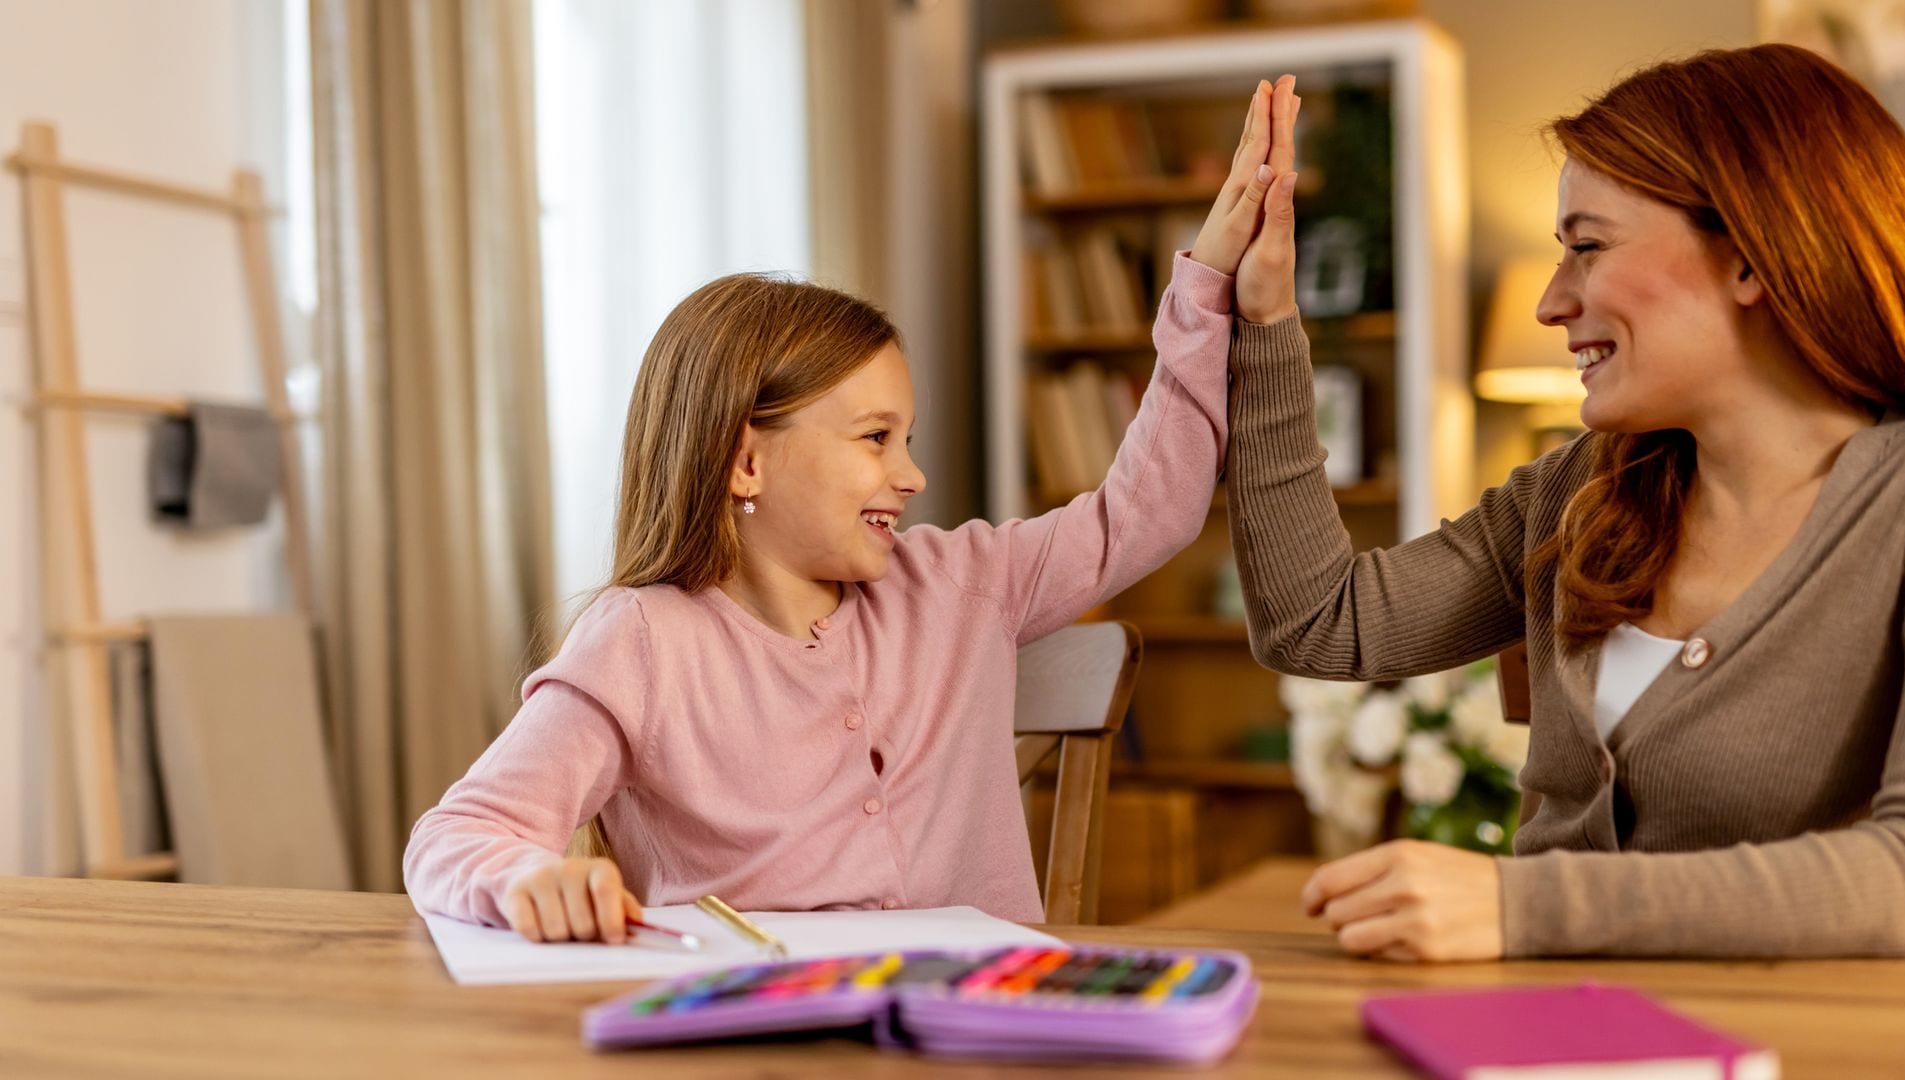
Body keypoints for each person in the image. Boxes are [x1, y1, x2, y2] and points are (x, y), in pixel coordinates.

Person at [403, 80, 1307, 943]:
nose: (912, 477)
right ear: (746, 460)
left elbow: (1150, 510)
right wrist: (527, 879)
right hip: (761, 1040)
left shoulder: (964, 582)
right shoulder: (642, 641)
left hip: (972, 1025)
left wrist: (1209, 281)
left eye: (905, 440)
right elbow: (459, 835)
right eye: (876, 439)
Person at [1226, 43, 1905, 959]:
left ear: (1752, 257)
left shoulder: (1902, 506)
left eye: (1588, 247)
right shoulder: (1582, 488)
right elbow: (1319, 623)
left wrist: (1526, 908)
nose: (1554, 302)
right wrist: (1267, 325)